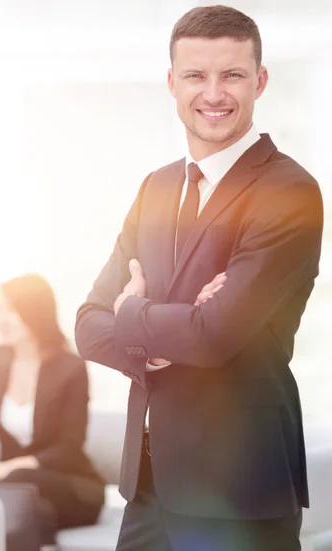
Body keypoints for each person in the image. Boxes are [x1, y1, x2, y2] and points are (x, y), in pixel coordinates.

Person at [75, 5, 323, 551]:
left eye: (232, 74)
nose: (213, 93)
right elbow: (89, 326)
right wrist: (170, 331)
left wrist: (134, 314)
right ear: (172, 82)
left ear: (259, 81)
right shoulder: (156, 188)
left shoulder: (289, 192)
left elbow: (213, 335)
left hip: (240, 491)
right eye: (196, 76)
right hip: (148, 487)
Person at [0, 273, 105, 549]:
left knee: (15, 490)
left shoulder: (70, 368)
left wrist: (3, 469)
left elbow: (69, 448)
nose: (2, 319)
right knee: (26, 510)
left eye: (11, 310)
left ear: (35, 312)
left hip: (70, 486)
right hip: (18, 493)